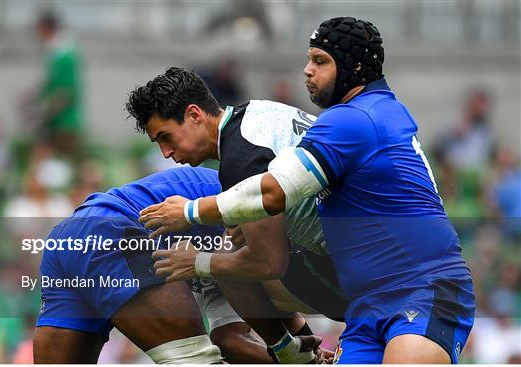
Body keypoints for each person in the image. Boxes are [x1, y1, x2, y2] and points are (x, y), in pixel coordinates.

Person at [139, 17, 476, 364]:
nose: (306, 71)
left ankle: (290, 351)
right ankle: (294, 349)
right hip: (367, 303)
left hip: (419, 287)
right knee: (236, 247)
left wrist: (190, 216)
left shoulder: (354, 120)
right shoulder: (353, 113)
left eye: (319, 61)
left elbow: (272, 194)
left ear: (354, 66)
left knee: (234, 258)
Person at [125, 67, 345, 363]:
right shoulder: (258, 112)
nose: (166, 153)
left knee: (228, 259)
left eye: (166, 137)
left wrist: (196, 263)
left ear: (194, 115)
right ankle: (301, 349)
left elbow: (269, 263)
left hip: (362, 275)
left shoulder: (240, 160)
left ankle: (291, 354)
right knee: (237, 242)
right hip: (377, 247)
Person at [34, 166, 287, 363]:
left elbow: (231, 340)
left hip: (66, 240)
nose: (167, 152)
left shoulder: (226, 264)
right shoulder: (248, 209)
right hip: (107, 230)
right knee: (193, 360)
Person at [34, 11, 83, 153]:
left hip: (64, 123)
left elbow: (65, 93)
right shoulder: (54, 55)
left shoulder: (64, 56)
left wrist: (45, 114)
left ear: (46, 28)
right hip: (57, 121)